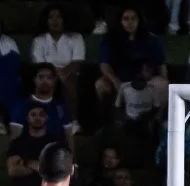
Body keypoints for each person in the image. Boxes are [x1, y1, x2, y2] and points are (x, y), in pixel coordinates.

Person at [95, 8, 169, 112]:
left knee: (162, 84)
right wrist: (116, 82)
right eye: (126, 19)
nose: (130, 22)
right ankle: (110, 123)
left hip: (145, 82)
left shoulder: (151, 39)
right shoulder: (110, 39)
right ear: (120, 21)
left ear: (139, 21)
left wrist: (162, 79)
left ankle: (155, 122)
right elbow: (104, 65)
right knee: (101, 84)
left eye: (133, 19)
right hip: (119, 80)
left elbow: (161, 65)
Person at [31, 5, 85, 134]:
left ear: (64, 19)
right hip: (46, 74)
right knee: (45, 81)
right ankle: (44, 122)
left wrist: (63, 73)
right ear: (46, 20)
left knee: (70, 82)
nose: (55, 21)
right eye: (51, 17)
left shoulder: (76, 37)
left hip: (70, 74)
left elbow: (77, 61)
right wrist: (56, 74)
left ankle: (73, 122)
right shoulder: (39, 40)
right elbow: (40, 64)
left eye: (58, 17)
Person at [5, 105, 65, 186]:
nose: (37, 118)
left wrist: (27, 163)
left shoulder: (55, 143)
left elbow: (58, 170)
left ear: (46, 118)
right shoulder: (18, 143)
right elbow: (13, 171)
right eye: (33, 115)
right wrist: (43, 167)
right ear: (27, 118)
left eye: (41, 115)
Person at [10, 63, 73, 146]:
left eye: (49, 78)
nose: (45, 81)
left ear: (54, 80)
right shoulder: (21, 105)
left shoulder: (61, 106)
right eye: (41, 77)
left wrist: (73, 157)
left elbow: (69, 136)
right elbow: (15, 138)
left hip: (56, 153)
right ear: (34, 79)